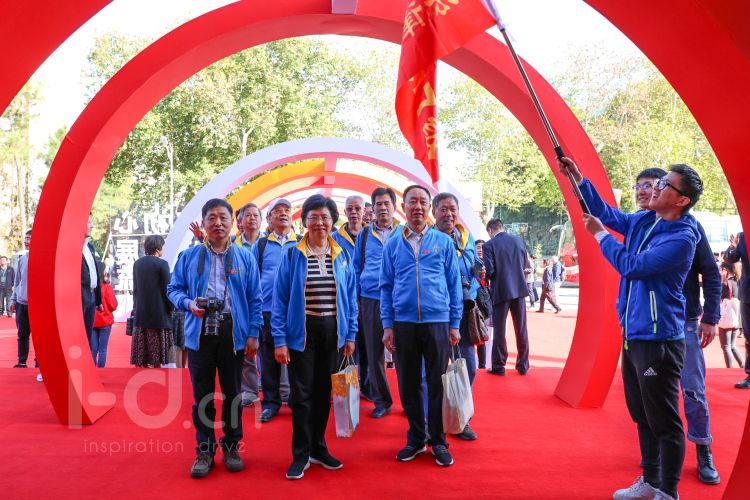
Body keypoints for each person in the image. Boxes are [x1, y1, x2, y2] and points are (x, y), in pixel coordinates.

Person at [558, 156, 704, 500]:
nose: (654, 189)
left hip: (659, 339)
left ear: (682, 199)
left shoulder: (682, 237)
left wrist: (600, 236)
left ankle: (668, 491)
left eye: (663, 184)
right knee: (642, 415)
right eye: (655, 183)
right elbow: (606, 213)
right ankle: (650, 482)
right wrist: (579, 179)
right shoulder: (643, 221)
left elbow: (632, 265)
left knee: (664, 421)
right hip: (634, 334)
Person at [633, 167, 721, 485]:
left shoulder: (688, 228)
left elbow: (711, 272)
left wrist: (711, 317)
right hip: (647, 326)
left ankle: (703, 448)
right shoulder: (641, 225)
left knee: (693, 390)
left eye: (653, 185)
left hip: (684, 323)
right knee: (649, 394)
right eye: (640, 186)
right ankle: (655, 459)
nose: (645, 191)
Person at [168, 198, 263, 478]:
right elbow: (173, 289)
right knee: (203, 396)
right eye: (212, 218)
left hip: (234, 333)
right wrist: (188, 304)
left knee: (233, 395)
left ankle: (232, 447)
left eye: (223, 217)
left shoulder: (245, 257)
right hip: (200, 332)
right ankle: (205, 450)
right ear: (204, 223)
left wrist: (253, 333)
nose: (218, 223)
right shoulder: (189, 257)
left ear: (233, 222)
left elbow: (255, 299)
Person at [272, 194, 357, 480]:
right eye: (313, 217)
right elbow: (280, 299)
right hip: (302, 333)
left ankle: (319, 448)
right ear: (305, 221)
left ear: (333, 221)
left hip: (333, 332)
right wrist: (280, 340)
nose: (320, 222)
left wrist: (350, 334)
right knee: (302, 395)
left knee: (323, 394)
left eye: (325, 217)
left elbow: (350, 298)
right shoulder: (293, 255)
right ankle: (301, 454)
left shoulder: (342, 254)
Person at [381, 184, 462, 467]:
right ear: (403, 207)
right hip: (403, 323)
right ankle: (416, 438)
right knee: (408, 383)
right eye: (412, 202)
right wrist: (387, 325)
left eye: (422, 202)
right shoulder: (393, 244)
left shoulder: (443, 242)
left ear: (429, 207)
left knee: (437, 383)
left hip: (437, 321)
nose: (417, 207)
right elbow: (385, 286)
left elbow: (453, 285)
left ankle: (438, 441)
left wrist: (454, 323)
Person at [432, 191, 480, 440]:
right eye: (443, 209)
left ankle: (461, 419)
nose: (448, 214)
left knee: (468, 366)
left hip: (463, 311)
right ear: (434, 212)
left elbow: (474, 270)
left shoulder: (465, 237)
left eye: (452, 209)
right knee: (434, 369)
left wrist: (472, 287)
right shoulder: (427, 239)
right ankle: (433, 421)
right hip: (437, 314)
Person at [353, 187, 401, 419]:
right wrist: (356, 300)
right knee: (374, 353)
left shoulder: (404, 233)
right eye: (378, 204)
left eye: (386, 203)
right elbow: (355, 269)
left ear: (394, 207)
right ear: (372, 208)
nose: (382, 208)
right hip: (370, 299)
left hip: (399, 300)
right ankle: (381, 400)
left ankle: (410, 400)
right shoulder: (363, 236)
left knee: (404, 352)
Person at [255, 198, 296, 423]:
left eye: (287, 210)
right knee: (269, 359)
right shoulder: (261, 246)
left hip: (295, 312)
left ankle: (297, 401)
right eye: (277, 211)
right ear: (269, 218)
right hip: (267, 310)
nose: (283, 213)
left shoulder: (301, 242)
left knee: (298, 358)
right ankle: (270, 403)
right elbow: (253, 279)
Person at [332, 195, 370, 400]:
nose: (354, 212)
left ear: (364, 211)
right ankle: (344, 389)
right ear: (344, 212)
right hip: (344, 301)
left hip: (368, 299)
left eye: (357, 208)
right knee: (346, 344)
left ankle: (367, 387)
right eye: (350, 209)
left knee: (368, 345)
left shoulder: (371, 236)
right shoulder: (335, 238)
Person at [482, 219, 531, 375]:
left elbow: (490, 270)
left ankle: (499, 366)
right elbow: (525, 264)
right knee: (521, 328)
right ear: (502, 227)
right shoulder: (518, 240)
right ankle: (523, 365)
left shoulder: (489, 245)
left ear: (490, 230)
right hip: (519, 290)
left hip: (500, 291)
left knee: (499, 330)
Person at [234, 202, 263, 406]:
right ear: (240, 221)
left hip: (267, 303)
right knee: (247, 349)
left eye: (255, 215)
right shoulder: (233, 246)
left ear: (262, 220)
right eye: (248, 215)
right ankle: (250, 391)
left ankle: (279, 390)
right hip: (243, 303)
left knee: (270, 348)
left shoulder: (268, 243)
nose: (252, 218)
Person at [131, 235, 174, 368]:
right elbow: (167, 290)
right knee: (157, 358)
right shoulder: (162, 264)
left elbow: (135, 289)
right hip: (159, 314)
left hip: (141, 313)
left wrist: (135, 308)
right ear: (158, 247)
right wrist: (171, 307)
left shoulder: (137, 264)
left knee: (142, 356)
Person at [725, 232, 750, 389]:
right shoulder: (744, 235)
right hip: (748, 294)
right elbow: (730, 259)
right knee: (749, 336)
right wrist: (733, 246)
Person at [11, 230, 32, 370]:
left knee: (39, 336)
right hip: (21, 302)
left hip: (36, 305)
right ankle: (22, 361)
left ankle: (39, 362)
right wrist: (13, 299)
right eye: (25, 238)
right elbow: (17, 281)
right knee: (22, 334)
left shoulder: (43, 259)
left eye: (29, 238)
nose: (25, 241)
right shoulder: (22, 259)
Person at [82, 215, 103, 348]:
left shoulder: (89, 247)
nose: (92, 226)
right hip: (80, 297)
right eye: (89, 222)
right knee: (80, 335)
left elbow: (95, 274)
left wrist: (98, 300)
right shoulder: (73, 247)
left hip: (92, 296)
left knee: (87, 336)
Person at [91, 264, 117, 368]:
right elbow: (113, 305)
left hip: (93, 322)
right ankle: (101, 371)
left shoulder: (91, 288)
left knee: (93, 349)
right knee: (103, 349)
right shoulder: (107, 287)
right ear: (104, 273)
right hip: (105, 322)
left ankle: (92, 370)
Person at [718, 262, 743, 368]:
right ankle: (743, 365)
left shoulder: (725, 284)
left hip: (727, 317)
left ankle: (730, 370)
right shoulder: (739, 281)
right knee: (732, 346)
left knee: (726, 346)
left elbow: (719, 298)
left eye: (721, 269)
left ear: (726, 270)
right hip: (737, 317)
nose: (720, 272)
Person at [475, 239, 488, 370]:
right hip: (472, 301)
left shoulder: (489, 263)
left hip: (484, 304)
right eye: (478, 247)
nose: (480, 250)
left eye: (483, 247)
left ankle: (482, 365)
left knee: (481, 333)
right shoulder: (470, 262)